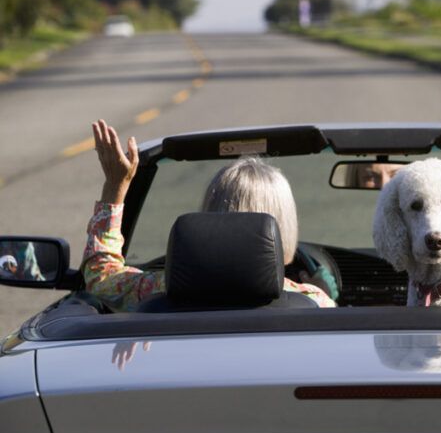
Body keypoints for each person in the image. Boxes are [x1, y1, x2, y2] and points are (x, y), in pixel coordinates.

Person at [82, 119, 335, 311]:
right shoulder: (313, 302)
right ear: (283, 229)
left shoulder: (160, 290)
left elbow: (102, 277)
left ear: (211, 215)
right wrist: (325, 293)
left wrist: (116, 186)